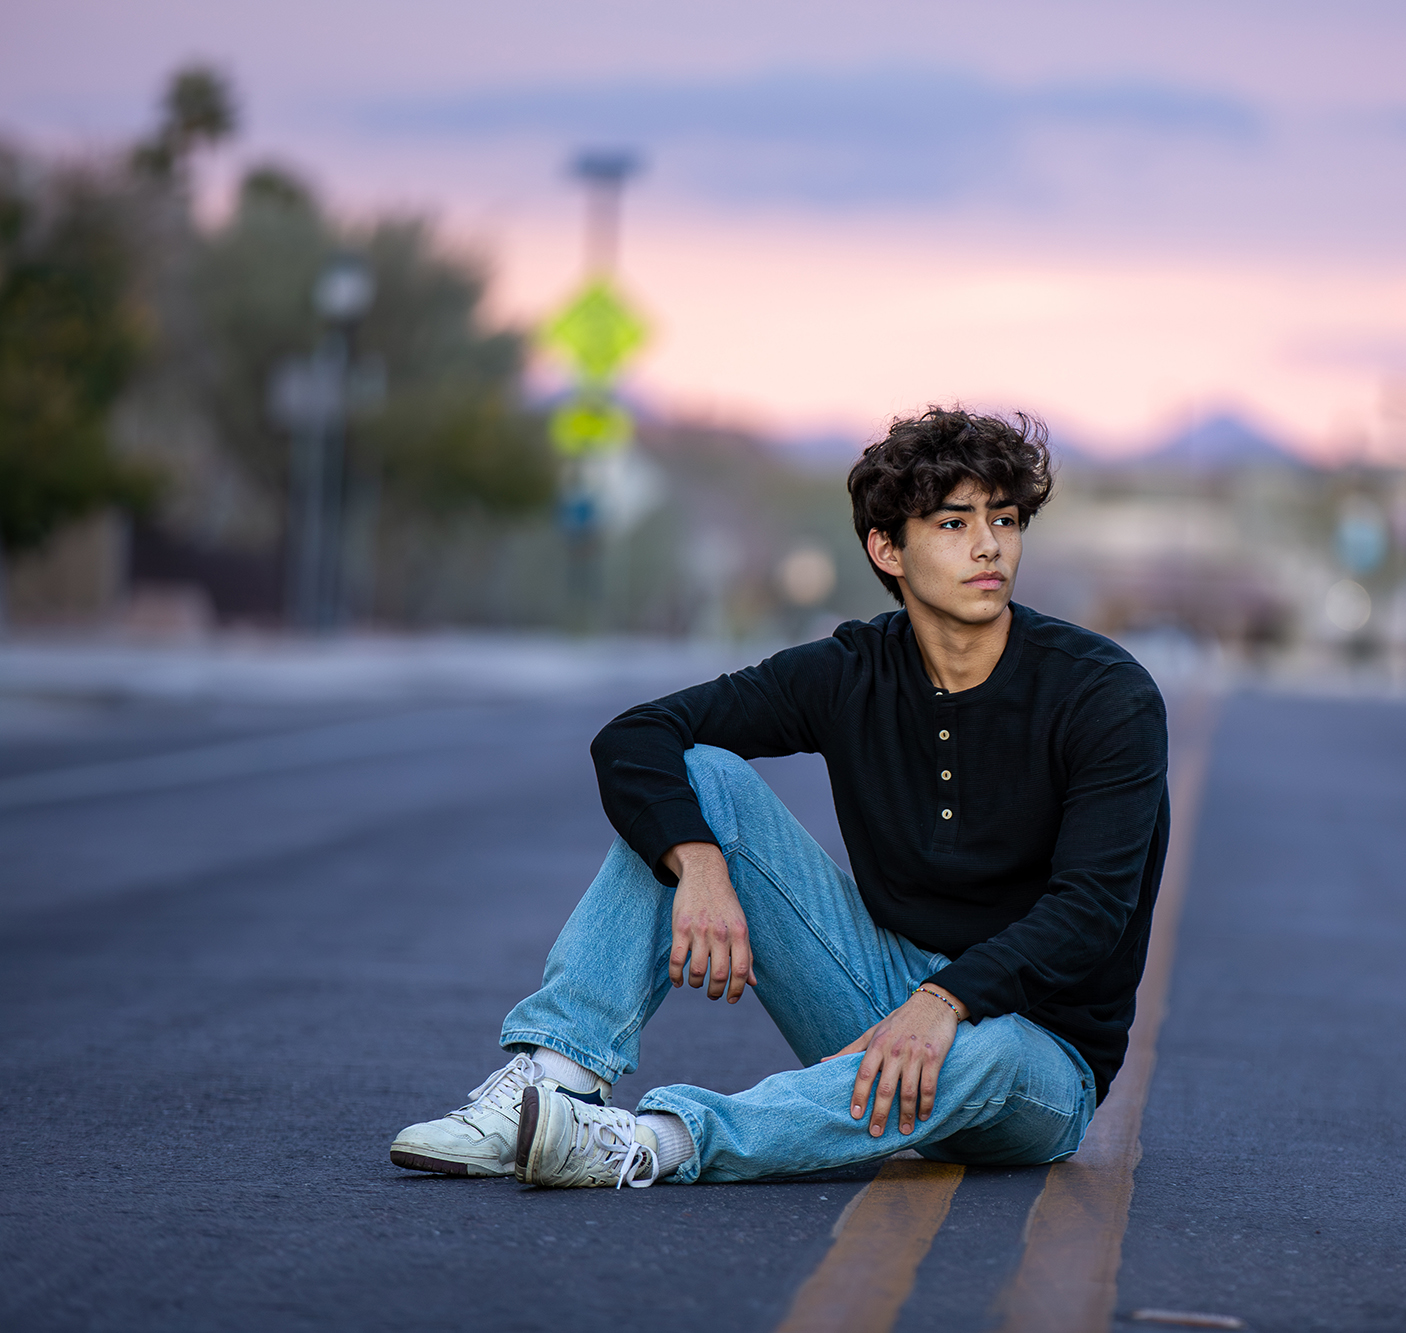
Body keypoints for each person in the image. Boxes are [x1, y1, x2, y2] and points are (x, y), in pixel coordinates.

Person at [390, 407, 1171, 1189]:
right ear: (887, 548)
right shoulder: (852, 670)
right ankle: (554, 1078)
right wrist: (698, 864)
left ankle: (652, 1142)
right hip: (877, 999)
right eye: (952, 522)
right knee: (705, 776)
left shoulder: (1103, 694)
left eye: (1003, 518)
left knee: (989, 1049)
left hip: (1035, 1056)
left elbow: (1090, 910)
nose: (988, 544)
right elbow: (637, 735)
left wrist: (945, 1001)